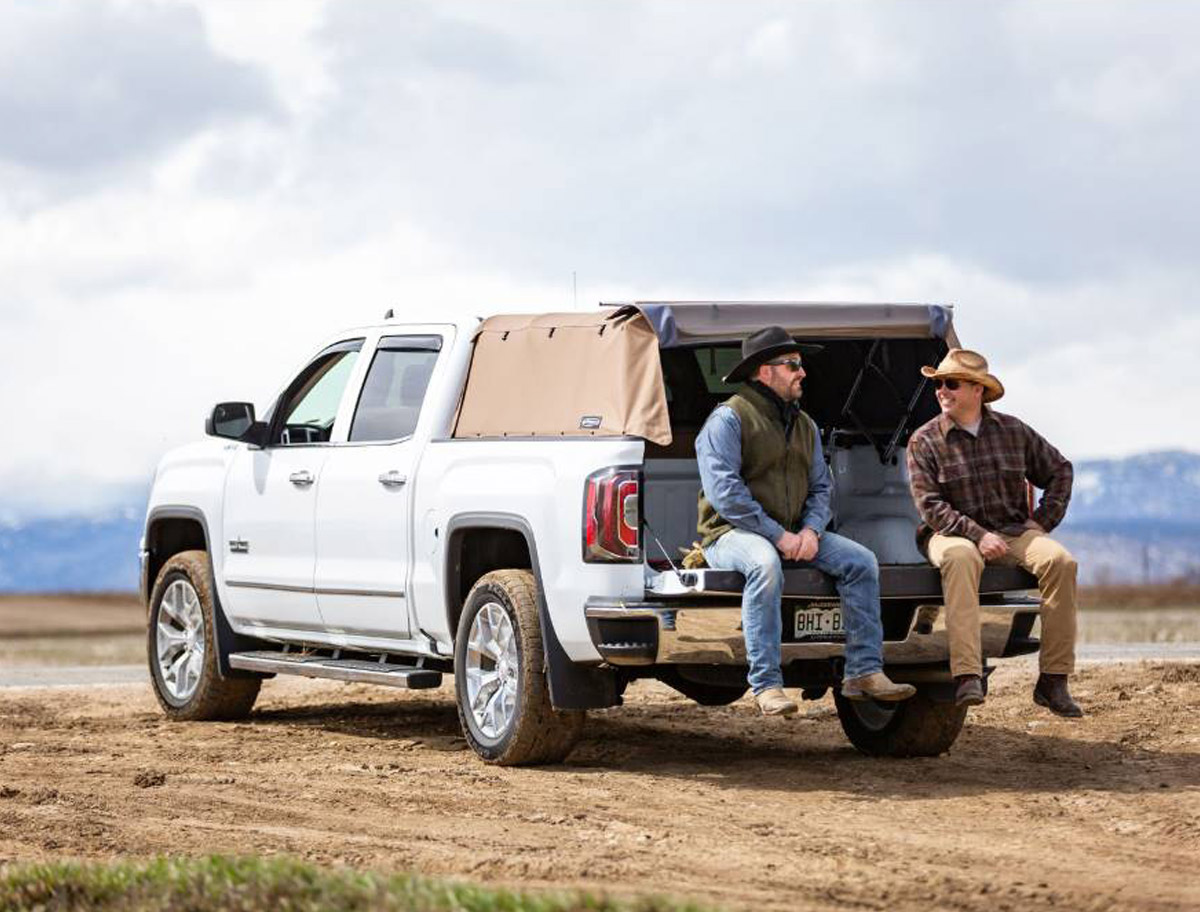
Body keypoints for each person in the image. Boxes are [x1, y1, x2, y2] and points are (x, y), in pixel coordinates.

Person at [695, 326, 916, 716]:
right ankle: (767, 685)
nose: (803, 372)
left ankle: (864, 671)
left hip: (796, 532)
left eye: (800, 364)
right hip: (729, 534)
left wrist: (812, 531)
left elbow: (821, 487)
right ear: (765, 372)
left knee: (862, 562)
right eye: (793, 365)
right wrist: (780, 536)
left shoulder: (805, 425)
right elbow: (726, 495)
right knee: (764, 564)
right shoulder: (727, 419)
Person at [906, 348, 1081, 717]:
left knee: (1061, 562)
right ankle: (967, 674)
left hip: (1011, 530)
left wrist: (1043, 521)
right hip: (948, 533)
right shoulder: (924, 440)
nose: (942, 391)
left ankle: (1053, 679)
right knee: (961, 558)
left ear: (978, 390)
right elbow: (930, 506)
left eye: (951, 384)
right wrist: (978, 535)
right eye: (939, 384)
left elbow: (1060, 470)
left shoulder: (1013, 431)